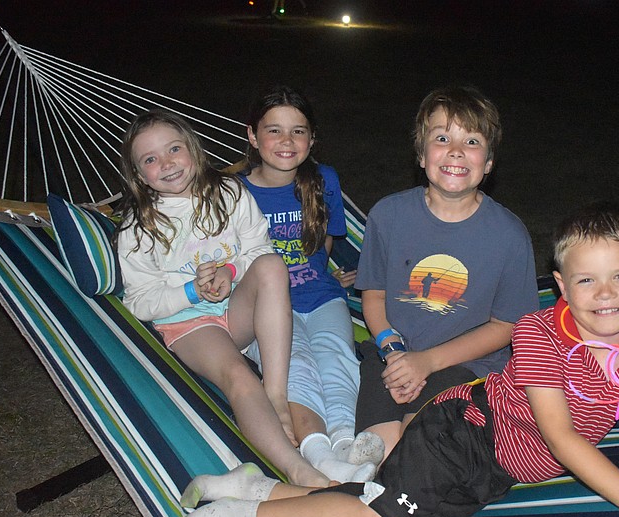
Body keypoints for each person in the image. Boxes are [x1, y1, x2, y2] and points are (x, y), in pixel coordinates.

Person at [170, 201, 619, 517]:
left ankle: (253, 489)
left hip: (498, 467)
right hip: (467, 431)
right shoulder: (545, 336)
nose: (604, 294)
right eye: (587, 280)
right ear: (561, 286)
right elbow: (563, 439)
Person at [113, 108, 329, 488]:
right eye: (150, 159)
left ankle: (276, 393)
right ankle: (297, 471)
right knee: (238, 375)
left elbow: (258, 248)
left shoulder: (230, 193)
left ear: (194, 150)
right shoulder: (140, 226)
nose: (166, 163)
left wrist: (230, 275)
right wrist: (191, 291)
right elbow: (140, 302)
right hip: (190, 323)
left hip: (234, 310)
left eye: (174, 149)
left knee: (271, 264)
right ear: (137, 174)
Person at [354, 85, 539, 459]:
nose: (456, 151)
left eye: (471, 141)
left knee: (412, 453)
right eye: (442, 138)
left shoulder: (508, 235)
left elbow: (507, 326)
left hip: (467, 365)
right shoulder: (388, 216)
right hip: (394, 353)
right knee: (375, 452)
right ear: (422, 155)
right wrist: (393, 350)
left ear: (488, 163)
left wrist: (428, 362)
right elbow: (374, 294)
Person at [236, 85, 382, 483]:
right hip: (264, 308)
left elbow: (327, 240)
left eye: (298, 131)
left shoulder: (323, 180)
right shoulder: (234, 193)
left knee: (336, 356)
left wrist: (322, 270)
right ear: (252, 135)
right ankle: (319, 453)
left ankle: (344, 443)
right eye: (274, 130)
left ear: (312, 138)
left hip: (320, 294)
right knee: (295, 364)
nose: (287, 141)